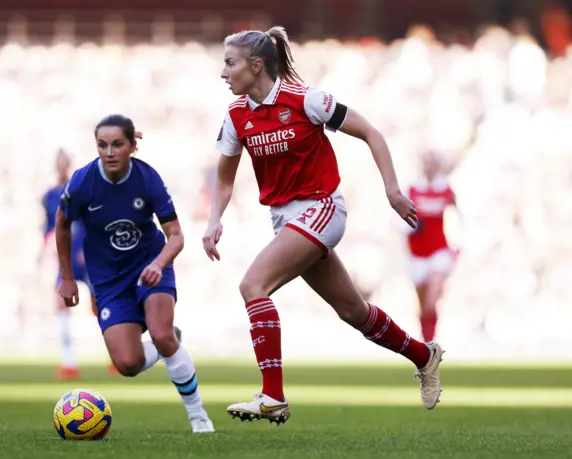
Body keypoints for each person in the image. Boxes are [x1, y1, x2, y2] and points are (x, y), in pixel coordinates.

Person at [203, 26, 444, 425]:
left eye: (230, 63)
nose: (223, 73)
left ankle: (273, 396)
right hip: (285, 219)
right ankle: (424, 355)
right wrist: (214, 220)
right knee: (353, 311)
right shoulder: (236, 115)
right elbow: (225, 177)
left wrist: (393, 191)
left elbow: (370, 132)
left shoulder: (307, 101)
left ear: (256, 66)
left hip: (322, 208)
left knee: (252, 286)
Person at [55, 114, 214, 433]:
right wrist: (68, 277)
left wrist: (158, 264)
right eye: (102, 145)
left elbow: (177, 236)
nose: (109, 152)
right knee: (126, 365)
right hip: (109, 280)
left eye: (117, 145)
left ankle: (198, 416)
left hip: (149, 269)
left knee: (159, 331)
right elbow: (62, 224)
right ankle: (169, 341)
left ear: (132, 146)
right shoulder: (84, 181)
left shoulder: (147, 179)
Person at [41, 149, 114, 379]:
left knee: (97, 306)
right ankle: (68, 361)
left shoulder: (79, 191)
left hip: (86, 256)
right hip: (65, 258)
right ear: (56, 166)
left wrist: (87, 248)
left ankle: (115, 354)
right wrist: (44, 247)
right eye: (59, 162)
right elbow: (48, 227)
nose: (62, 166)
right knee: (62, 303)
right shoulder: (50, 196)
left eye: (65, 162)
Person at [406, 151, 458, 342]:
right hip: (417, 254)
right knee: (422, 306)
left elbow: (459, 216)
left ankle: (432, 343)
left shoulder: (445, 189)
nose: (429, 166)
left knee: (432, 299)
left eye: (432, 163)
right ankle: (425, 341)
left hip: (439, 251)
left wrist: (457, 246)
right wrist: (411, 225)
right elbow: (396, 220)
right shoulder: (412, 188)